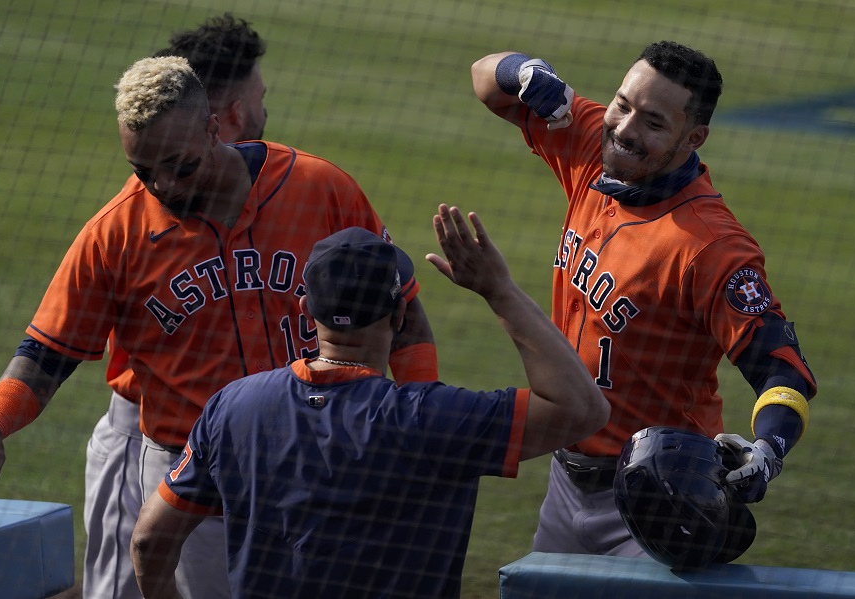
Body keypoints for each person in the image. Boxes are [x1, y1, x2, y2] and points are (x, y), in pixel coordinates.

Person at [0, 55, 437, 599]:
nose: (163, 185)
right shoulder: (115, 234)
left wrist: (421, 417)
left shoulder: (319, 188)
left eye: (180, 166)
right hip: (193, 485)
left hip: (325, 464)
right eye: (143, 171)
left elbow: (404, 312)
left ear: (213, 129)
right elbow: (45, 357)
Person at [129, 210, 612, 599]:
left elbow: (150, 541)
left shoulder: (233, 407)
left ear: (306, 310)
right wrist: (499, 291)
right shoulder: (437, 420)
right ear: (399, 314)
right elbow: (583, 409)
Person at [470, 41, 817, 557]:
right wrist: (526, 72)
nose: (626, 130)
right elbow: (485, 81)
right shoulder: (593, 144)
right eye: (623, 104)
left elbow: (783, 370)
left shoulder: (711, 248)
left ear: (693, 138)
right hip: (565, 481)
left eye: (653, 123)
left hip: (661, 497)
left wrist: (768, 448)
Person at [84, 14, 270, 599]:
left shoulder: (271, 184)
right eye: (260, 98)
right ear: (230, 115)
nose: (264, 109)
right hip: (147, 440)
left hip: (248, 448)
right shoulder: (136, 216)